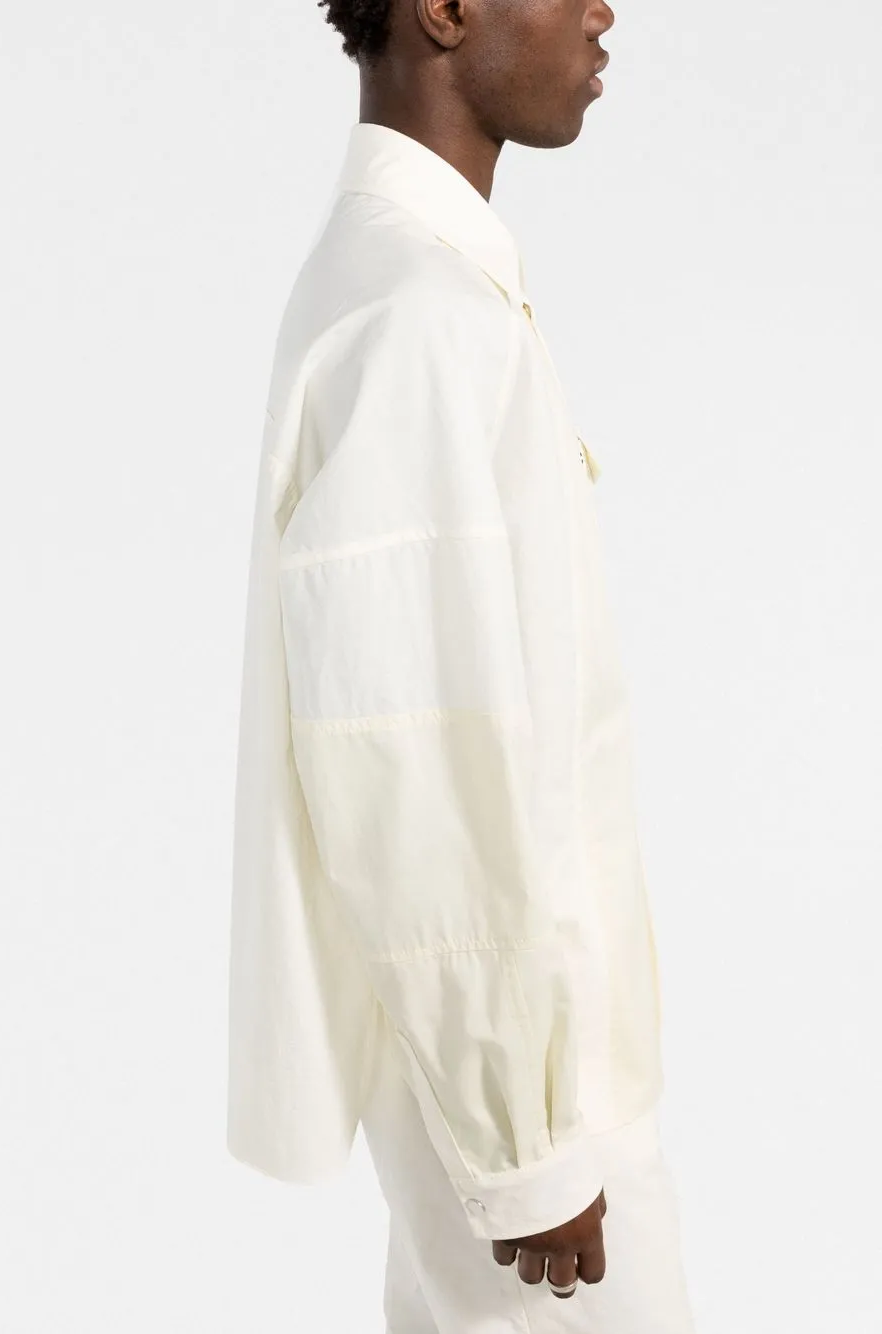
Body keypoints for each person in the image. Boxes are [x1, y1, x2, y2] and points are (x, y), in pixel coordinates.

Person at [227, 2, 697, 1329]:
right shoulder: (421, 312)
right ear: (441, 8)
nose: (604, 12)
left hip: (520, 1070)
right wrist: (524, 1144)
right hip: (532, 1107)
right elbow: (407, 748)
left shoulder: (416, 280)